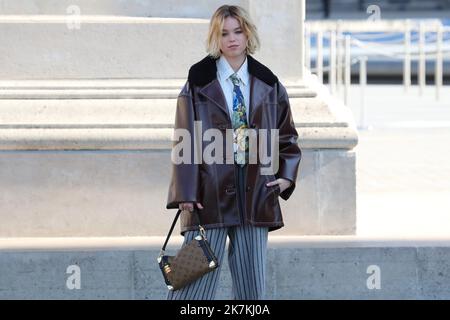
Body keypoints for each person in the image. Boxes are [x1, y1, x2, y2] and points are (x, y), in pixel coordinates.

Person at [166, 4, 301, 300]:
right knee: (190, 287)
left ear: (248, 33)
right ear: (216, 37)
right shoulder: (198, 80)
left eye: (238, 31)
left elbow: (287, 135)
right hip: (208, 196)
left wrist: (286, 177)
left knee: (252, 290)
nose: (232, 39)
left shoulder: (268, 83)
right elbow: (184, 139)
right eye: (224, 33)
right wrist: (186, 193)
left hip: (256, 196)